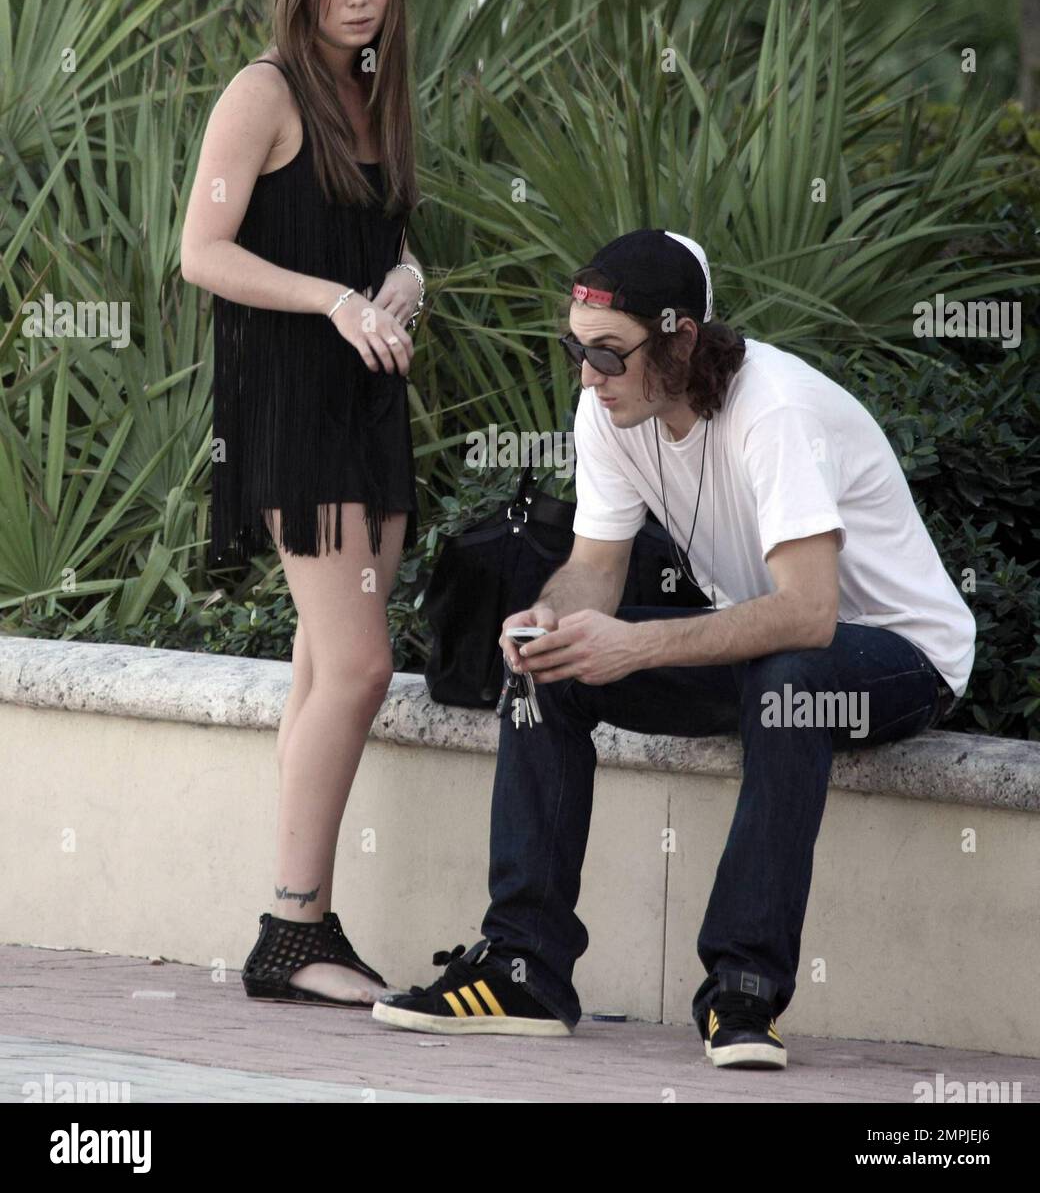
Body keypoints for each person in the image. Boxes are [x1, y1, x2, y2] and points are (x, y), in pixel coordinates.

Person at [372, 228, 975, 1068]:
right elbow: (593, 571)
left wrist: (637, 646)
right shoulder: (612, 411)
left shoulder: (775, 412)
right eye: (576, 351)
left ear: (680, 338)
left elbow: (809, 614)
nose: (589, 377)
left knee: (790, 683)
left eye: (608, 354)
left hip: (898, 656)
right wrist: (547, 620)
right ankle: (523, 969)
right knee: (550, 673)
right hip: (766, 649)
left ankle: (743, 989)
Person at [179, 0, 425, 1007]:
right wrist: (334, 299)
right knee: (362, 667)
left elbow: (389, 238)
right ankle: (291, 927)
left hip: (370, 406)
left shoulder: (374, 92)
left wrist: (405, 280)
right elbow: (202, 251)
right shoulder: (263, 91)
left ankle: (301, 921)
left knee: (326, 666)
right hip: (293, 412)